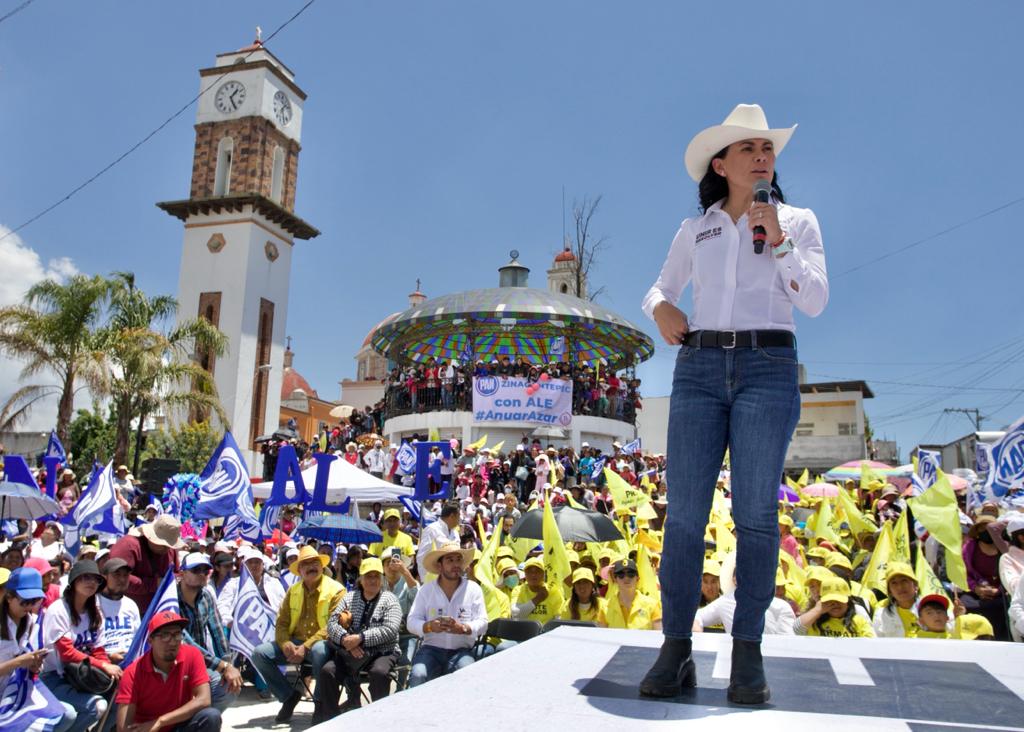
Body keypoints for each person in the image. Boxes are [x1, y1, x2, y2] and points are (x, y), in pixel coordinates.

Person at [639, 103, 827, 703]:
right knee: (686, 517)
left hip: (768, 367)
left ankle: (748, 650)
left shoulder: (796, 220)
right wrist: (661, 308)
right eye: (747, 147)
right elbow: (661, 288)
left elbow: (815, 299)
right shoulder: (697, 229)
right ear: (721, 163)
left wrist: (778, 242)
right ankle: (676, 648)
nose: (761, 155)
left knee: (755, 514)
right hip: (697, 368)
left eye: (766, 147)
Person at [251, 545, 346, 723]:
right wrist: (286, 643)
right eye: (306, 564)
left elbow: (332, 626)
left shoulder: (337, 590)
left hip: (323, 644)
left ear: (322, 565)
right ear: (299, 569)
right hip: (295, 643)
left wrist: (305, 647)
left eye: (315, 563)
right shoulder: (292, 590)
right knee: (259, 654)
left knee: (318, 650)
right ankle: (288, 696)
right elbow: (281, 623)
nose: (311, 567)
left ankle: (320, 703)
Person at [316, 557, 402, 723]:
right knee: (328, 672)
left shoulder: (390, 600)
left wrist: (360, 639)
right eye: (368, 576)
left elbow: (390, 630)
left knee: (380, 673)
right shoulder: (349, 597)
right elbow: (332, 623)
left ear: (382, 578)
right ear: (361, 579)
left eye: (376, 576)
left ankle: (380, 720)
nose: (372, 580)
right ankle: (330, 719)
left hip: (382, 651)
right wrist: (346, 640)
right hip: (349, 651)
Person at [41, 560, 123, 732]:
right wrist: (103, 665)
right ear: (74, 581)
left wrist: (107, 670)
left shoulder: (96, 611)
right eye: (85, 577)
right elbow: (66, 653)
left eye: (96, 579)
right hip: (55, 677)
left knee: (122, 698)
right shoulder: (58, 609)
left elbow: (99, 650)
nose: (91, 582)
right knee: (97, 707)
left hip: (84, 676)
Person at [115, 610, 222, 732]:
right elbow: (123, 728)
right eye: (165, 635)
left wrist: (161, 721)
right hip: (148, 729)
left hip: (178, 725)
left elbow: (204, 699)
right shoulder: (133, 672)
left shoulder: (192, 655)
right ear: (150, 641)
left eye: (177, 634)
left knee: (211, 716)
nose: (172, 642)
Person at [407, 542, 488, 687]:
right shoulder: (426, 590)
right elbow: (412, 621)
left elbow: (483, 622)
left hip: (461, 651)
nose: (456, 564)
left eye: (458, 559)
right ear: (439, 566)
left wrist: (463, 628)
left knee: (469, 675)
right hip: (431, 649)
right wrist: (429, 626)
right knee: (418, 675)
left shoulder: (473, 589)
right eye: (450, 560)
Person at [176, 552, 241, 711]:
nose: (202, 575)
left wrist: (228, 664)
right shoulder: (172, 599)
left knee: (230, 686)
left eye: (206, 571)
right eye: (196, 570)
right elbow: (186, 641)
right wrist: (223, 666)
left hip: (200, 664)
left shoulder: (206, 596)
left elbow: (217, 632)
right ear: (182, 573)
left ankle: (202, 720)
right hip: (176, 665)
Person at [108, 514, 185, 614]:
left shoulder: (170, 550)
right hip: (127, 612)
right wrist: (155, 584)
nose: (166, 548)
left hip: (161, 612)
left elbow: (176, 573)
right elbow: (115, 577)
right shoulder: (128, 545)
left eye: (169, 545)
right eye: (163, 544)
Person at [217, 546, 286, 627]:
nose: (254, 565)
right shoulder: (233, 584)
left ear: (263, 565)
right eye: (250, 562)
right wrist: (229, 622)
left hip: (270, 628)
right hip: (241, 629)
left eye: (257, 562)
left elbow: (283, 606)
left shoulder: (273, 582)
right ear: (244, 565)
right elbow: (222, 607)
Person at [797, 577, 875, 638]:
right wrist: (817, 610)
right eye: (830, 600)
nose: (835, 604)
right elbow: (797, 630)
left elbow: (872, 644)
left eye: (839, 600)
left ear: (848, 601)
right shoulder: (814, 622)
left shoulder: (858, 621)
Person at [97, 558, 140, 665]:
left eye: (125, 575)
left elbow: (138, 638)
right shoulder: (93, 603)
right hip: (103, 663)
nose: (122, 579)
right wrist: (107, 657)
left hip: (131, 661)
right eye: (116, 575)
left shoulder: (131, 604)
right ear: (104, 577)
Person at [598, 559, 662, 631]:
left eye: (631, 574)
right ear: (615, 579)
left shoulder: (652, 605)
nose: (626, 578)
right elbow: (601, 639)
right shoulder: (604, 608)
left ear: (638, 578)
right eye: (621, 574)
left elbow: (658, 636)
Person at [510, 557, 564, 627]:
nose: (533, 575)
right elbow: (516, 615)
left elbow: (559, 618)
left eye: (538, 571)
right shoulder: (518, 590)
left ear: (544, 574)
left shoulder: (554, 591)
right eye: (529, 572)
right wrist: (537, 599)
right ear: (525, 574)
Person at [872, 562, 921, 638]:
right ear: (889, 591)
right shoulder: (881, 615)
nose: (900, 587)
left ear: (915, 585)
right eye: (894, 583)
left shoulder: (933, 608)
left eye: (904, 581)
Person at [415, 503, 461, 579]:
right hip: (434, 580)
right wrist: (426, 580)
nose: (459, 520)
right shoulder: (431, 530)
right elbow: (422, 557)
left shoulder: (455, 533)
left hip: (452, 579)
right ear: (452, 516)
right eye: (459, 517)